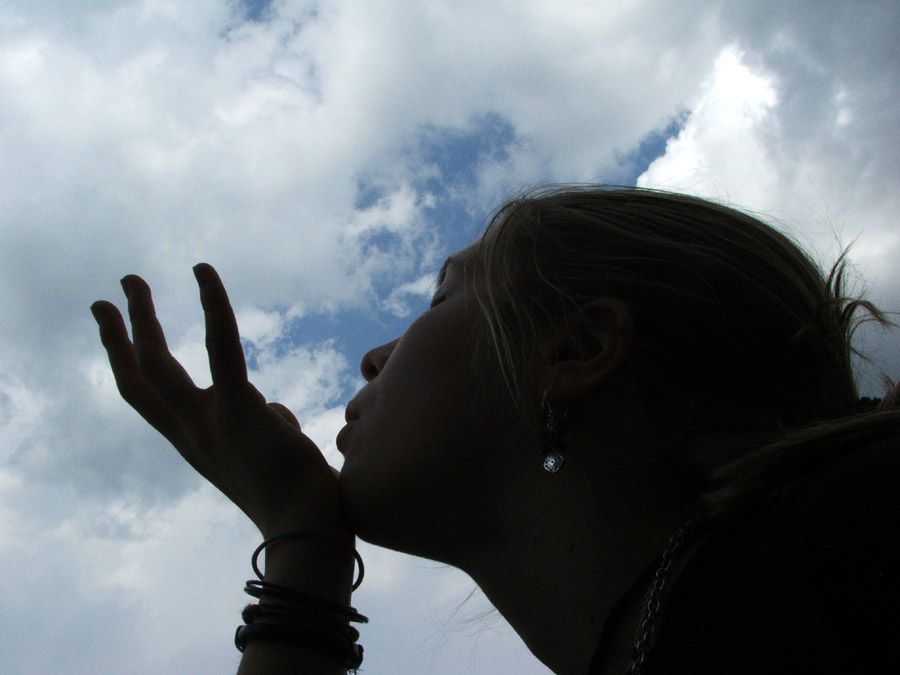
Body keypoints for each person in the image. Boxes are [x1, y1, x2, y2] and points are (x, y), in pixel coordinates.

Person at [90, 186, 900, 674]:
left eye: (442, 297)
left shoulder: (858, 542)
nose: (373, 357)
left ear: (576, 349)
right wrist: (304, 545)